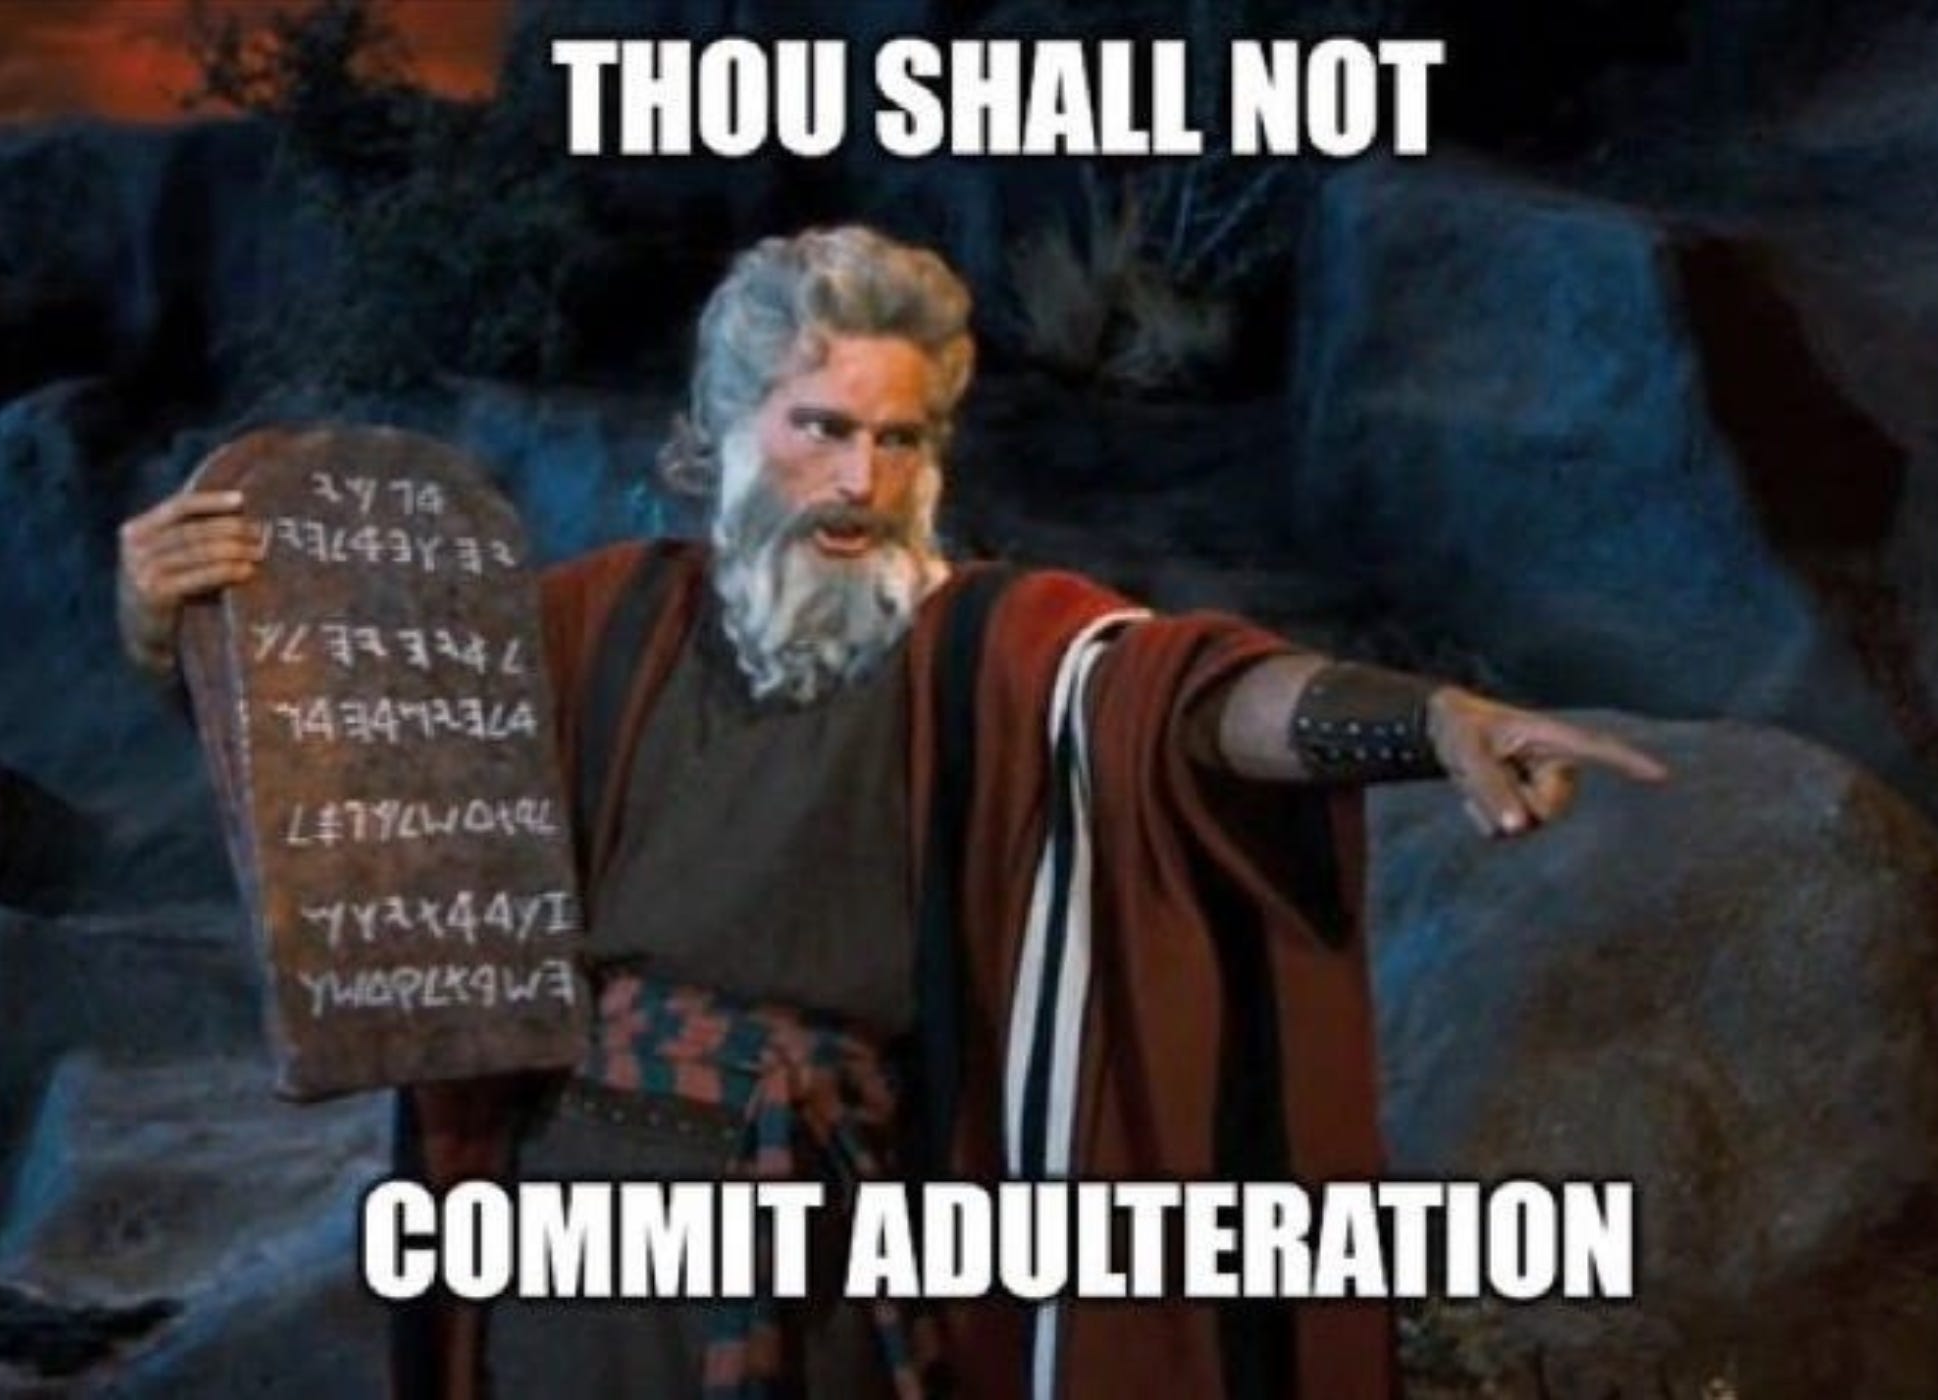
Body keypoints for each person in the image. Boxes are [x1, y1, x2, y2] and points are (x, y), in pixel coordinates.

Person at [117, 225, 1666, 1400]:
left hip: (826, 1239)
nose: (860, 477)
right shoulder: (599, 617)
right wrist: (160, 622)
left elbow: (1193, 702)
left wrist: (1422, 722)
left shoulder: (995, 641)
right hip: (560, 1226)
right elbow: (356, 747)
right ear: (724, 430)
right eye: (819, 426)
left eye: (899, 436)